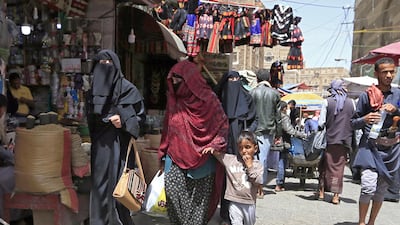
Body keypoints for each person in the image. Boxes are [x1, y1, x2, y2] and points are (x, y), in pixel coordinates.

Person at [158, 58, 228, 225]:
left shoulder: (209, 100)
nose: (174, 83)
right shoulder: (174, 100)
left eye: (178, 80)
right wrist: (162, 154)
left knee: (196, 213)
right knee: (174, 205)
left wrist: (214, 145)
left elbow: (223, 125)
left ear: (190, 80)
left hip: (203, 161)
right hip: (175, 159)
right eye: (172, 79)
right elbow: (168, 128)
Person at [86, 50, 145, 225]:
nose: (104, 68)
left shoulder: (128, 90)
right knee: (99, 189)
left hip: (121, 147)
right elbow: (90, 119)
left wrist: (124, 120)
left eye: (108, 63)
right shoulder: (93, 91)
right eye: (101, 64)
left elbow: (140, 118)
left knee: (119, 190)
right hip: (101, 148)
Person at [351, 57, 400, 225]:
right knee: (368, 187)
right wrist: (365, 118)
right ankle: (361, 222)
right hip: (370, 147)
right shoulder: (366, 96)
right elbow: (353, 123)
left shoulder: (398, 95)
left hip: (391, 149)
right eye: (385, 71)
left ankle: (371, 222)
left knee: (380, 191)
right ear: (376, 73)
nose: (389, 75)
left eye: (392, 71)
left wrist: (396, 111)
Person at [214, 70, 257, 225]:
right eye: (230, 79)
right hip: (224, 147)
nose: (234, 81)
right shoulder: (218, 100)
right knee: (225, 180)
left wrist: (248, 137)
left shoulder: (247, 98)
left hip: (241, 147)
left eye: (237, 79)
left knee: (242, 178)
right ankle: (226, 213)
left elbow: (254, 119)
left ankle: (244, 211)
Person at [202, 131, 263, 225]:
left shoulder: (257, 165)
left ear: (255, 148)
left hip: (249, 203)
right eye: (240, 148)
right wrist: (212, 150)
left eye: (247, 147)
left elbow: (258, 181)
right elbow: (221, 156)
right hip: (234, 202)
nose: (244, 151)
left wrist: (250, 167)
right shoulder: (232, 160)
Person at [317, 79, 355, 204]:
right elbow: (354, 122)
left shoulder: (327, 102)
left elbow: (321, 122)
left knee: (324, 166)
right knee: (339, 168)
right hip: (345, 141)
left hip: (329, 140)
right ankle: (335, 195)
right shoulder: (351, 103)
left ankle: (321, 192)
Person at [249, 69, 282, 188]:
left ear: (257, 79)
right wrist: (279, 133)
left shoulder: (252, 93)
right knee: (262, 158)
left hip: (253, 129)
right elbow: (278, 117)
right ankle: (259, 185)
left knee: (255, 157)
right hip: (268, 130)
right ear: (269, 79)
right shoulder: (274, 94)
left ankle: (257, 183)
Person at [275, 101, 307, 192]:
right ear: (284, 108)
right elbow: (290, 130)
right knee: (282, 162)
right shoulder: (284, 117)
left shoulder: (275, 116)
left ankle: (280, 182)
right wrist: (302, 135)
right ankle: (279, 183)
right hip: (284, 141)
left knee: (281, 161)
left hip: (276, 141)